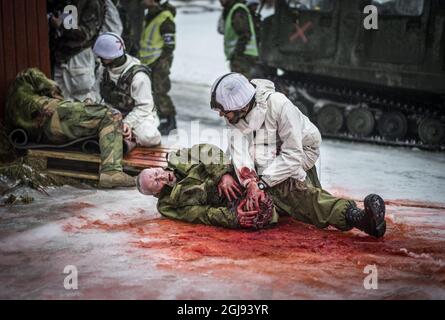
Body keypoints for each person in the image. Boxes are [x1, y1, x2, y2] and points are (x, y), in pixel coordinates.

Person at [209, 73, 387, 238]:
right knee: (254, 185)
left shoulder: (279, 105)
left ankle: (358, 218)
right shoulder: (235, 118)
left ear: (242, 105)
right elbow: (238, 152)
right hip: (265, 159)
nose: (221, 114)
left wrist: (261, 185)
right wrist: (246, 182)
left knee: (289, 190)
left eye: (224, 110)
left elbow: (293, 155)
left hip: (301, 153)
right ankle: (346, 214)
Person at [5, 68, 135, 189]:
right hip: (57, 115)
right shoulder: (25, 77)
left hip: (46, 134)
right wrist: (60, 98)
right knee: (112, 115)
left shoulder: (13, 107)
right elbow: (50, 87)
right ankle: (111, 172)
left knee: (96, 117)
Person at [137, 144, 277, 229]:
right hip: (233, 201)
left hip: (237, 172)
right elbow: (202, 214)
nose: (161, 177)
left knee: (258, 152)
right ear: (155, 194)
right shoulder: (167, 205)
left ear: (156, 167)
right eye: (156, 182)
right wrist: (233, 217)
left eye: (156, 173)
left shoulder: (177, 158)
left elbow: (207, 150)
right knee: (265, 212)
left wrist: (222, 174)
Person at [93, 33, 162, 150]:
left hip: (138, 115)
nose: (100, 59)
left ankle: (130, 140)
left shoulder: (139, 76)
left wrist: (127, 123)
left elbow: (145, 107)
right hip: (112, 112)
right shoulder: (103, 69)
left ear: (113, 57)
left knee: (148, 136)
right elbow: (96, 92)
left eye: (103, 57)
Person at [49, 0, 105, 102]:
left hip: (78, 56)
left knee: (83, 100)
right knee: (61, 100)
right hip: (62, 57)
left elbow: (84, 34)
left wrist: (60, 26)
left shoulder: (92, 3)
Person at [139, 0, 177, 135]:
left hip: (160, 61)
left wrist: (163, 61)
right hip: (149, 60)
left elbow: (169, 44)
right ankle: (164, 120)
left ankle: (169, 120)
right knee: (153, 91)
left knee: (160, 90)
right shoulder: (149, 14)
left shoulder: (164, 17)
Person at [220, 0, 259, 78]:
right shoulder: (233, 9)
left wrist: (238, 53)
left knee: (241, 85)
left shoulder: (237, 10)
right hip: (243, 55)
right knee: (242, 84)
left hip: (242, 56)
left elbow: (245, 34)